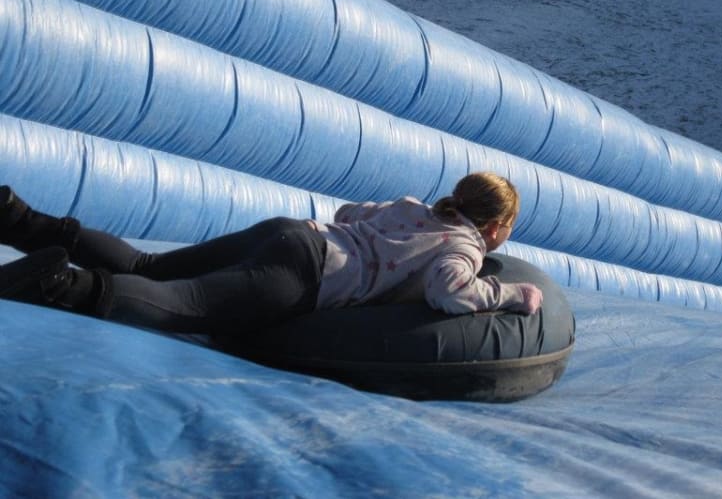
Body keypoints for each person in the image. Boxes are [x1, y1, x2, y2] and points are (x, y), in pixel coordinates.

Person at [0, 174, 543, 334]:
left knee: (151, 264)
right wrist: (511, 294)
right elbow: (449, 290)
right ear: (496, 228)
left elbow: (350, 211)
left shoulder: (412, 207)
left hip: (293, 233)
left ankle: (20, 219)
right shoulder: (465, 247)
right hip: (307, 274)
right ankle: (57, 284)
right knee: (181, 302)